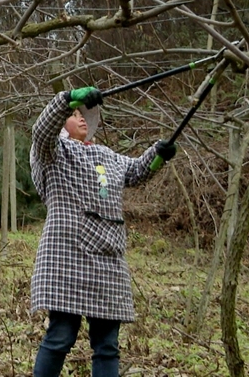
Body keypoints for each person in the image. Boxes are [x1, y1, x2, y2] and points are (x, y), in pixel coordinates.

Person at [29, 86, 177, 377]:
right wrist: (66, 99)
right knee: (60, 337)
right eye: (73, 115)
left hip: (109, 259)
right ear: (62, 121)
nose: (82, 119)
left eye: (84, 114)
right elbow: (41, 130)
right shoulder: (52, 152)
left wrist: (157, 154)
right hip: (66, 256)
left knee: (107, 345)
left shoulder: (107, 156)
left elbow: (135, 171)